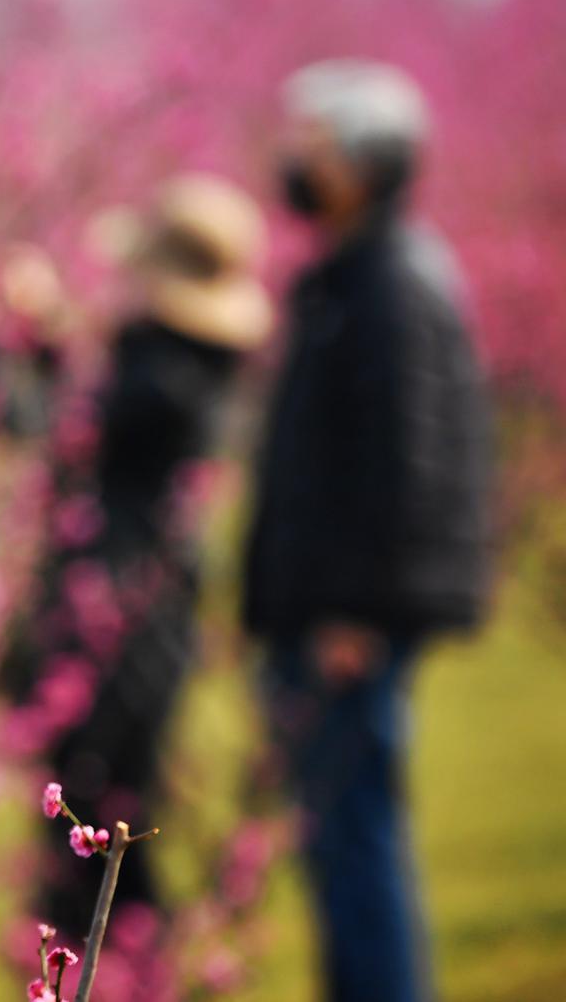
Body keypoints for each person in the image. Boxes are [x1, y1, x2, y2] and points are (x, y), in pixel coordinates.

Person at [244, 59, 492, 1002]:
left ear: (365, 163)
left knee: (356, 841)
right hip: (321, 612)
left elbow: (406, 465)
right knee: (336, 843)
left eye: (314, 147)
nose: (295, 163)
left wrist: (355, 609)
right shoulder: (353, 277)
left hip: (346, 625)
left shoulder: (390, 286)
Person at [0, 175, 273, 947]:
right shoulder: (188, 363)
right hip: (137, 606)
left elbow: (57, 425)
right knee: (106, 807)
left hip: (124, 616)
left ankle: (117, 965)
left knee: (97, 803)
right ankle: (115, 961)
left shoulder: (166, 375)